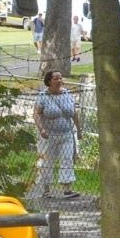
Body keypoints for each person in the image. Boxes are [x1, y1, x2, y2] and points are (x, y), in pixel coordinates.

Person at [32, 70, 82, 199]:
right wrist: (41, 129)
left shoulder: (67, 93)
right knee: (47, 162)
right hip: (49, 136)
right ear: (49, 81)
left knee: (67, 159)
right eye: (55, 78)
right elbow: (36, 114)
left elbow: (74, 113)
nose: (59, 80)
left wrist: (79, 129)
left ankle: (67, 189)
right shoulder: (43, 96)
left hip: (66, 134)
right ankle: (46, 189)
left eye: (60, 78)